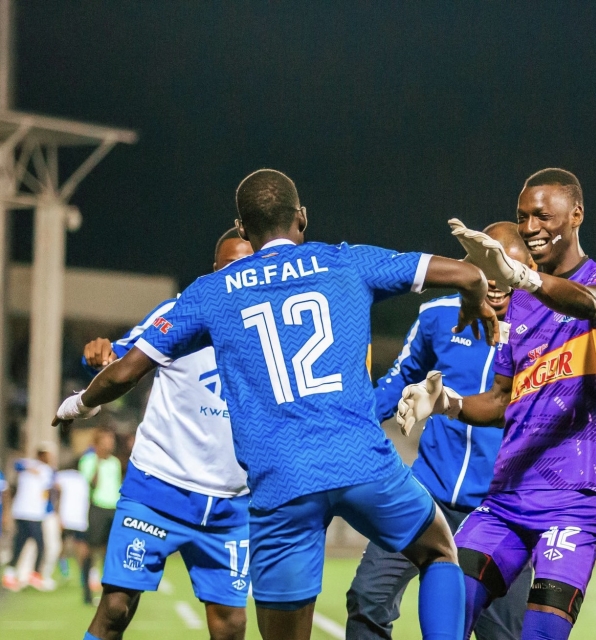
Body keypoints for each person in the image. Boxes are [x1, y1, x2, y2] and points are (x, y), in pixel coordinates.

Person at [53, 168, 499, 640]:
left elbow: (124, 371)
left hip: (281, 483)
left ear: (243, 229)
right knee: (437, 551)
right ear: (301, 218)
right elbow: (467, 273)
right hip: (360, 462)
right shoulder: (344, 262)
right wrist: (473, 298)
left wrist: (76, 407)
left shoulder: (212, 291)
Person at [399, 168, 596, 640]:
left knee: (538, 635)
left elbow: (593, 304)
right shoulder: (522, 307)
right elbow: (503, 400)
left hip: (575, 496)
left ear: (577, 215)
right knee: (448, 596)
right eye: (522, 217)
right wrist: (448, 404)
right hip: (508, 496)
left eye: (542, 216)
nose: (530, 227)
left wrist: (525, 278)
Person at [348, 222, 596, 640]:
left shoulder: (551, 327)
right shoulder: (437, 316)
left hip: (500, 511)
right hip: (426, 496)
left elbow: (587, 397)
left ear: (522, 269)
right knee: (367, 599)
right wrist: (352, 426)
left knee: (501, 634)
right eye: (483, 272)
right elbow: (400, 380)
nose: (493, 284)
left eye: (503, 271)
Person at [73, 227, 253, 640]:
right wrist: (99, 355)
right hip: (158, 489)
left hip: (229, 508)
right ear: (213, 271)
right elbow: (120, 358)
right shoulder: (180, 313)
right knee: (115, 609)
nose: (237, 274)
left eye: (248, 264)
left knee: (231, 627)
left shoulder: (273, 330)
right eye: (229, 265)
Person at [2, 444, 57, 591]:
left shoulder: (45, 470)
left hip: (31, 513)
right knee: (40, 544)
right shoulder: (33, 465)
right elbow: (17, 464)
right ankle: (34, 574)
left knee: (21, 543)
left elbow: (46, 492)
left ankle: (11, 574)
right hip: (27, 513)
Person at [78, 427, 122, 601]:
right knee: (91, 549)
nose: (109, 444)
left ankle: (107, 590)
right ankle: (87, 592)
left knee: (109, 551)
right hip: (96, 507)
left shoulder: (115, 463)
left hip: (113, 508)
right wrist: (97, 460)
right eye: (106, 440)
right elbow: (91, 484)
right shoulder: (88, 460)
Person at [54, 463, 91, 597]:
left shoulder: (61, 476)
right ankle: (84, 575)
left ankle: (65, 571)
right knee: (80, 546)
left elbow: (55, 490)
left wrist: (56, 512)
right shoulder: (85, 477)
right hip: (80, 518)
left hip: (66, 517)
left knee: (63, 545)